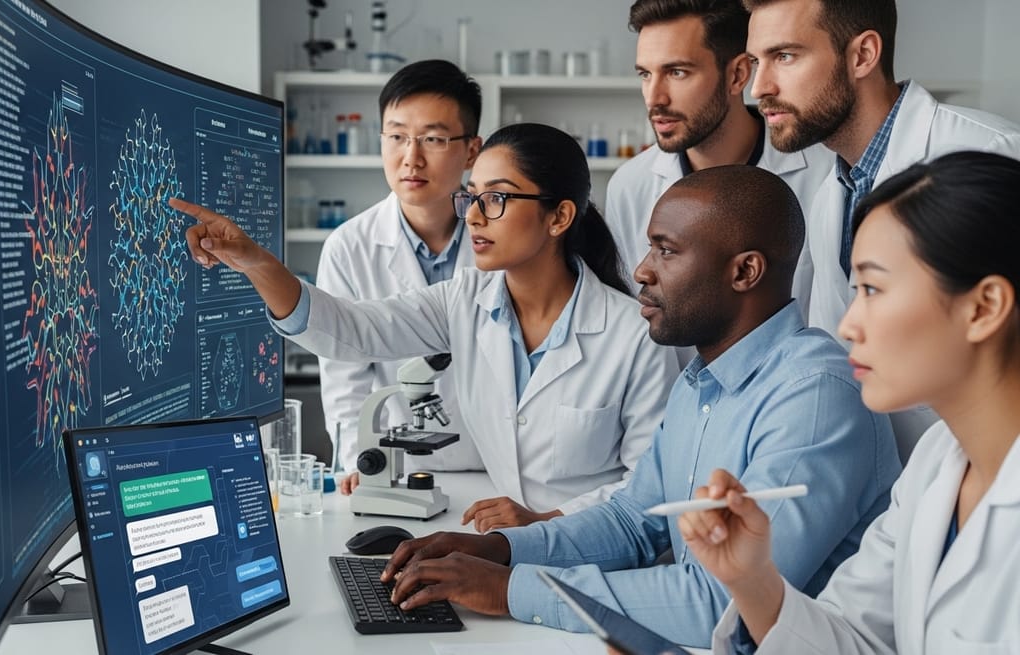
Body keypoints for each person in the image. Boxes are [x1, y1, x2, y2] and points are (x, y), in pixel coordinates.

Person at [379, 165, 900, 648]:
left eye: (666, 251)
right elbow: (635, 521)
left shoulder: (813, 393)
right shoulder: (701, 380)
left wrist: (511, 589)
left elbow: (726, 604)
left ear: (745, 272)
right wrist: (504, 549)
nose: (643, 272)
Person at [178, 123, 677, 528]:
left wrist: (547, 520)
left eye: (497, 199)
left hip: (596, 558)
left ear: (559, 217)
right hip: (504, 547)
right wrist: (256, 263)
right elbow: (355, 329)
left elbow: (650, 489)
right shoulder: (464, 298)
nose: (475, 217)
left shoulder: (634, 337)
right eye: (472, 197)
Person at [684, 152, 1020, 654]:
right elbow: (858, 639)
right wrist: (751, 578)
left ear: (984, 307)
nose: (848, 325)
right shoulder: (935, 464)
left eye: (872, 288)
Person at [743, 0, 1020, 458]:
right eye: (756, 62)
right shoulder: (829, 192)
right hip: (892, 488)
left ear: (863, 55)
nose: (758, 88)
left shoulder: (990, 152)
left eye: (784, 56)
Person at [315, 60, 485, 494]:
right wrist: (359, 462)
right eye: (396, 137)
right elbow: (344, 379)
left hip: (499, 468)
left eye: (433, 138)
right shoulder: (349, 246)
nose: (411, 157)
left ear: (471, 150)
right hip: (396, 469)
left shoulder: (505, 236)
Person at [606, 0, 829, 317]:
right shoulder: (630, 186)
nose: (654, 97)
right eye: (645, 74)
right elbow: (633, 319)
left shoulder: (823, 173)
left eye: (677, 72)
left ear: (738, 75)